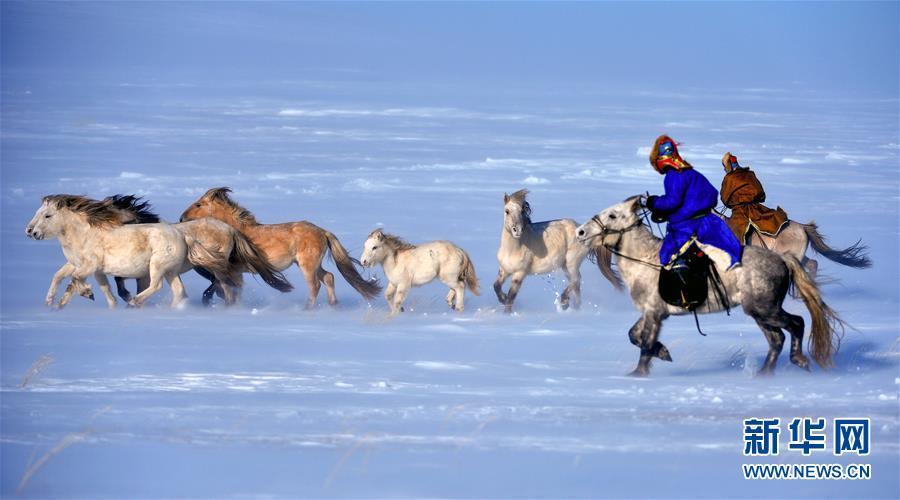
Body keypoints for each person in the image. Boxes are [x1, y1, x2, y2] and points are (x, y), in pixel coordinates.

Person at [645, 135, 742, 268]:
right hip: (711, 223)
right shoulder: (691, 173)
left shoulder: (673, 174)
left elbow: (672, 201)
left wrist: (653, 202)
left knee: (667, 257)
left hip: (689, 227)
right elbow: (712, 194)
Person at [719, 152, 788, 243]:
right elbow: (761, 193)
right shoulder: (750, 174)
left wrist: (733, 203)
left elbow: (725, 198)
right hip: (757, 209)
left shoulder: (729, 178)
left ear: (727, 166)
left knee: (732, 233)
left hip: (740, 212)